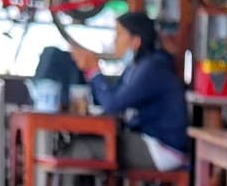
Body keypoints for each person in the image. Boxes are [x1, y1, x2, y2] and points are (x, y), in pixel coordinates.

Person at [69, 12, 190, 170]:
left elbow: (112, 105)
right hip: (148, 139)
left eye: (119, 35)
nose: (114, 40)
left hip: (162, 149)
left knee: (84, 147)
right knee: (85, 141)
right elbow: (109, 100)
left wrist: (94, 71)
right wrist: (89, 72)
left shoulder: (152, 68)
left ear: (136, 41)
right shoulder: (135, 68)